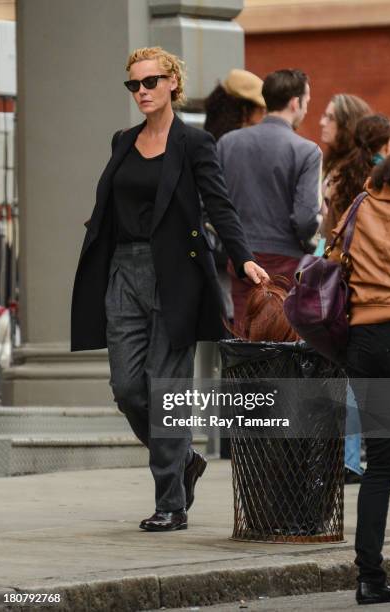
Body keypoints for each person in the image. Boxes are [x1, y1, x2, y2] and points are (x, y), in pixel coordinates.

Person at [70, 46, 268, 533]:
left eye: (151, 82)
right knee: (128, 388)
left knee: (167, 391)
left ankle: (171, 502)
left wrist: (242, 258)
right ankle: (184, 460)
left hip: (175, 275)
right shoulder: (122, 141)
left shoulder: (195, 143)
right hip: (123, 271)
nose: (142, 91)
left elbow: (219, 206)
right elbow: (116, 199)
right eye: (134, 85)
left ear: (172, 84)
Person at [330, 146, 390, 605]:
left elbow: (335, 256)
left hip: (366, 345)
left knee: (380, 466)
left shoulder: (362, 203)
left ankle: (368, 577)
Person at [217, 69, 322, 333]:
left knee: (245, 334)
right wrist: (310, 243)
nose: (306, 109)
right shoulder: (307, 151)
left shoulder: (227, 143)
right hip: (286, 258)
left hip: (241, 256)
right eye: (307, 102)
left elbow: (213, 203)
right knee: (284, 341)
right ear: (295, 102)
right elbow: (307, 218)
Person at [327, 113, 390, 485]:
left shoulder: (342, 181)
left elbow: (329, 237)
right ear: (387, 143)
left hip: (355, 302)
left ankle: (350, 459)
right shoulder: (386, 185)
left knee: (353, 389)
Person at [204, 69, 266, 321]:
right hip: (231, 246)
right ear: (244, 109)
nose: (264, 115)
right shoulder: (230, 144)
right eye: (259, 108)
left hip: (220, 246)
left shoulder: (212, 139)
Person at [319, 93, 372, 240]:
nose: (322, 122)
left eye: (330, 118)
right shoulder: (335, 163)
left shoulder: (358, 171)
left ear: (348, 124)